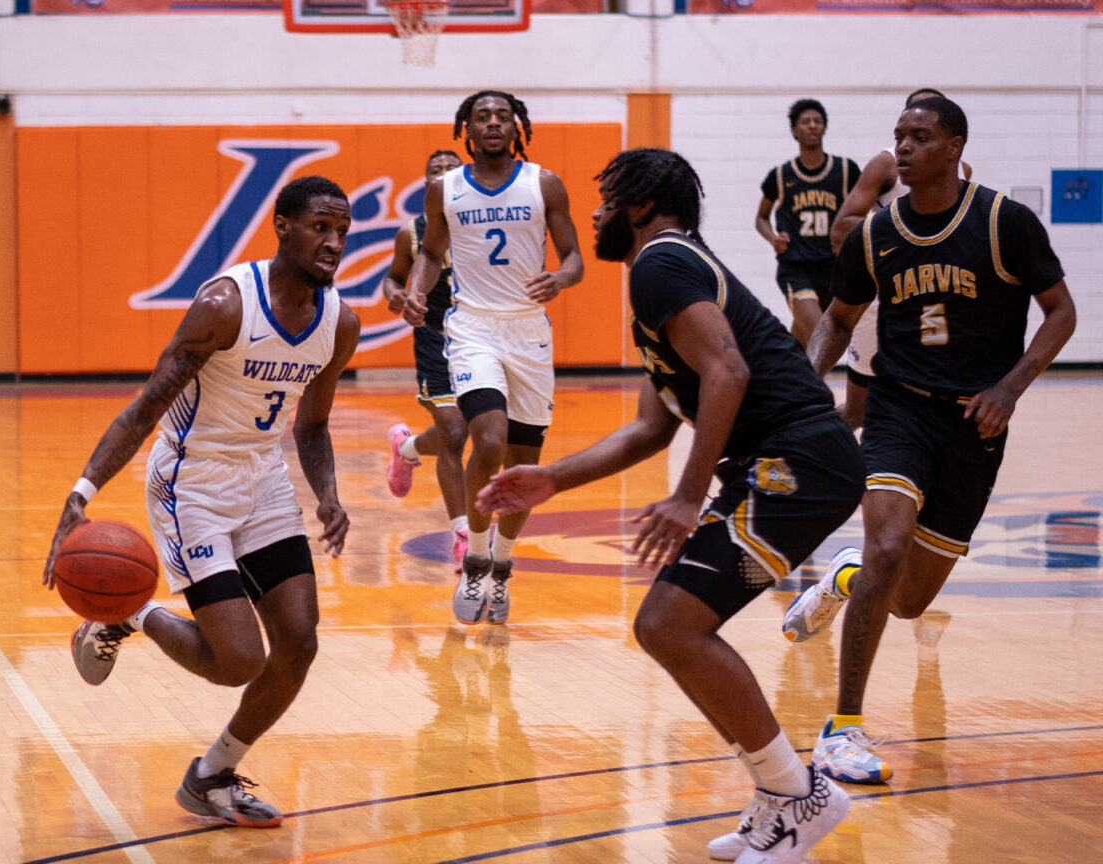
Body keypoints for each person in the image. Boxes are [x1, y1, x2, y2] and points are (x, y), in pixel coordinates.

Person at [479, 148, 860, 864]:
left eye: (603, 197)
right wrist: (551, 478)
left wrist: (690, 498)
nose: (592, 213)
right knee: (665, 626)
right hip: (778, 464)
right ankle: (784, 794)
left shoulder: (662, 263)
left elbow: (729, 370)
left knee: (672, 624)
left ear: (641, 203)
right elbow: (650, 428)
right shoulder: (665, 271)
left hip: (800, 462)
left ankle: (798, 796)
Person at [44, 176, 361, 828]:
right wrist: (82, 492)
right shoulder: (225, 305)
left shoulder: (340, 323)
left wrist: (328, 494)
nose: (334, 242)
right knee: (238, 661)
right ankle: (132, 613)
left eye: (342, 231)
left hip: (263, 478)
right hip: (192, 483)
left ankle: (213, 774)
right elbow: (147, 406)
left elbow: (312, 427)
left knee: (299, 644)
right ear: (283, 226)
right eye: (320, 227)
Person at [784, 95, 1076, 785]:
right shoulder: (874, 234)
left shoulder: (1004, 222)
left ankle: (849, 578)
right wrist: (799, 389)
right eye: (899, 136)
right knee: (888, 543)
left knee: (908, 598)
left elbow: (1061, 312)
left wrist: (1011, 388)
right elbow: (837, 318)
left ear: (954, 147)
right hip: (898, 410)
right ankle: (842, 728)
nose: (904, 148)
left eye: (920, 137)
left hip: (973, 426)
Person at [403, 90, 584, 625]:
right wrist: (417, 288)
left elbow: (573, 255)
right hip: (472, 329)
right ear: (466, 129)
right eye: (482, 116)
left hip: (528, 334)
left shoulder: (543, 183)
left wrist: (563, 277)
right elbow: (432, 254)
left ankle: (502, 568)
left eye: (502, 116)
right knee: (488, 438)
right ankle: (476, 556)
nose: (492, 123)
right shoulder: (445, 189)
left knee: (523, 467)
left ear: (517, 126)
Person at [828, 88, 972, 429]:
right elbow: (840, 230)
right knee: (857, 412)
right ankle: (811, 453)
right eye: (904, 131)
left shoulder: (963, 170)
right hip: (880, 297)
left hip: (932, 296)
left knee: (932, 404)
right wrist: (904, 234)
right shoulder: (884, 163)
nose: (908, 142)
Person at [381, 148, 471, 572]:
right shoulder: (412, 234)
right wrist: (395, 294)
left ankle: (409, 447)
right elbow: (394, 277)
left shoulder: (486, 224)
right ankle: (464, 536)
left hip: (484, 339)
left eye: (451, 168)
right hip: (436, 340)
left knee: (480, 431)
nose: (443, 174)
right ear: (427, 182)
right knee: (454, 431)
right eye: (435, 169)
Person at [754, 99, 861, 347]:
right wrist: (773, 238)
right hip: (796, 266)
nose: (812, 126)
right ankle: (812, 386)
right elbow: (761, 218)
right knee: (820, 333)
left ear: (824, 128)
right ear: (794, 130)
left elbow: (865, 210)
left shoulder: (845, 170)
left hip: (834, 267)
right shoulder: (781, 175)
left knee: (802, 342)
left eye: (817, 121)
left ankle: (786, 378)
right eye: (805, 122)